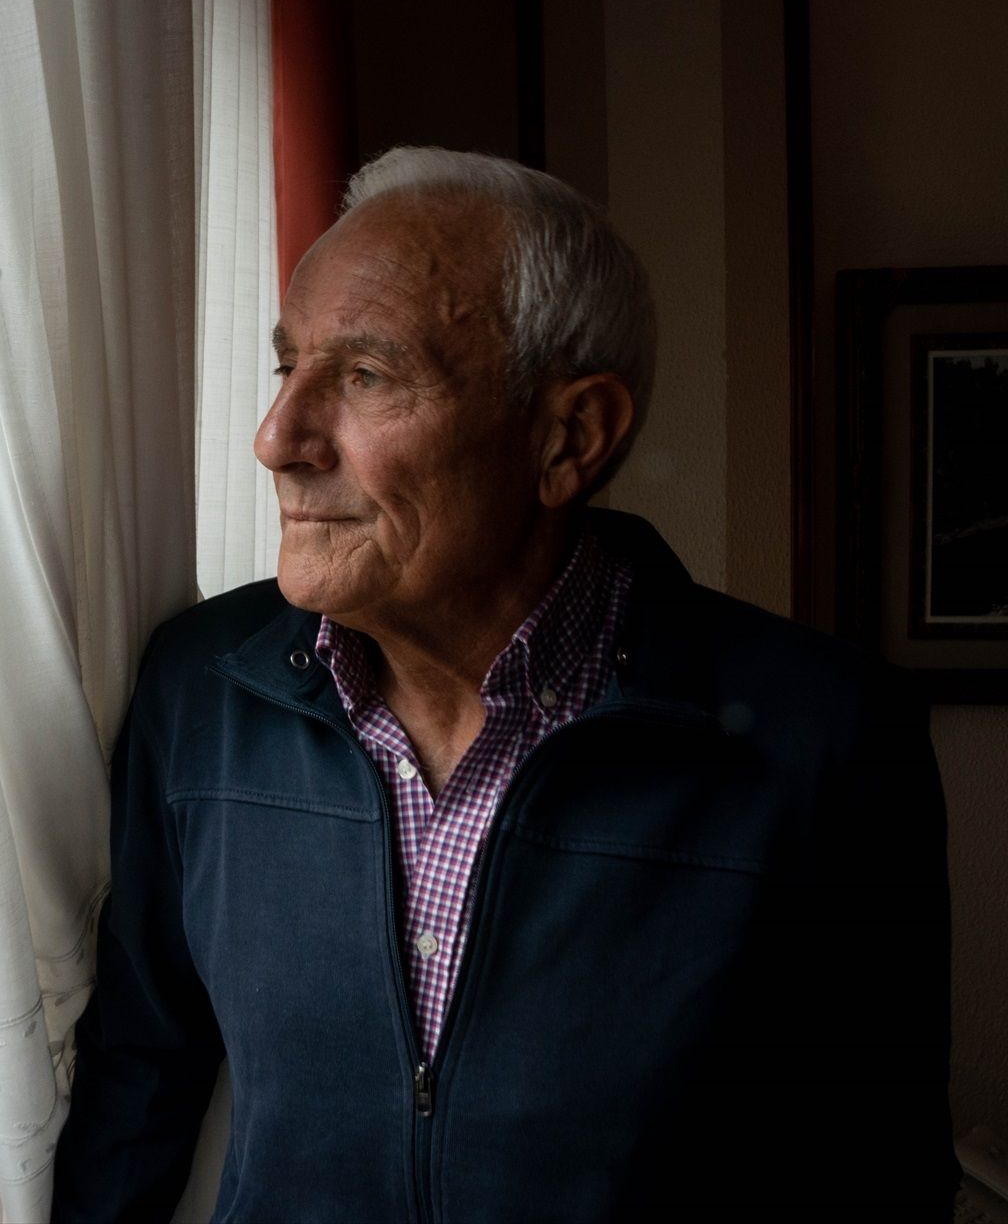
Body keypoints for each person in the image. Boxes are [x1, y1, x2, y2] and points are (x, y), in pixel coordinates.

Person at [52, 148, 953, 1219]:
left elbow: (873, 1168)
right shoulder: (201, 691)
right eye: (287, 367)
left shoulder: (827, 738)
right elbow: (136, 1088)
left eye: (367, 376)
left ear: (571, 436)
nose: (277, 438)